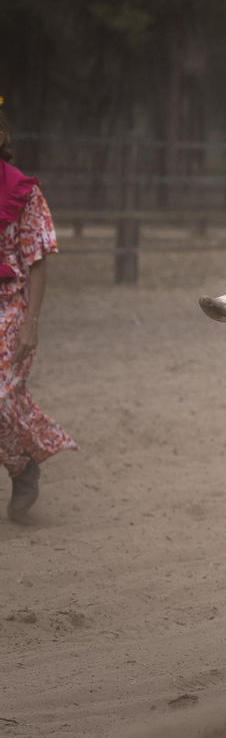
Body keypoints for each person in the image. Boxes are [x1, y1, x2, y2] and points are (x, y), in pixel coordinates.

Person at [0, 105, 77, 521]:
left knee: (2, 398)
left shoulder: (23, 192)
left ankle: (22, 465)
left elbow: (37, 259)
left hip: (11, 303)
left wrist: (31, 323)